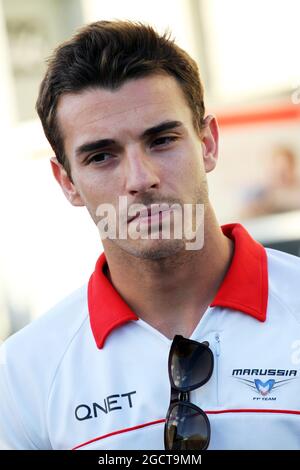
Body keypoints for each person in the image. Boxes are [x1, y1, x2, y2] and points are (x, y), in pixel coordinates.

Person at [1, 20, 300, 451]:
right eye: (101, 156)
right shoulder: (23, 372)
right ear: (66, 182)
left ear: (208, 144)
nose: (140, 179)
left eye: (161, 140)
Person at [241, 145, 300, 218]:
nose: (281, 175)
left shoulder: (296, 190)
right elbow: (244, 215)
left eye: (285, 170)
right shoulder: (259, 193)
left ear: (293, 168)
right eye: (277, 170)